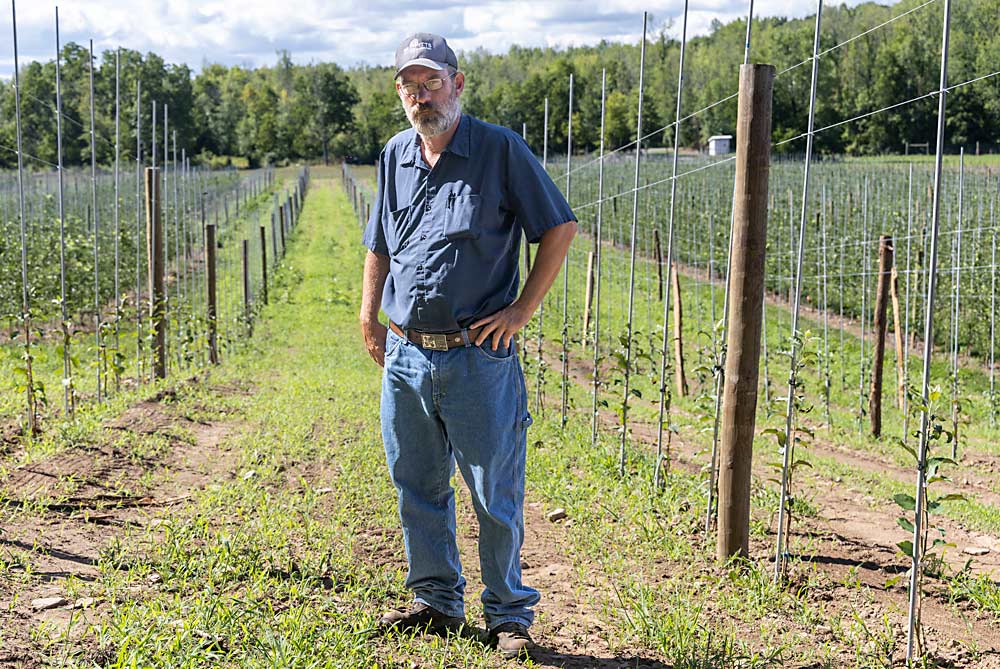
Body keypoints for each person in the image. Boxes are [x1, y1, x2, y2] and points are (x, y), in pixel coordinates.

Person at [359, 32, 577, 660]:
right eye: (409, 86)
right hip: (406, 353)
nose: (420, 96)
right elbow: (378, 244)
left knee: (492, 490)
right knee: (416, 480)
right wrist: (369, 319)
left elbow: (558, 227)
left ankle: (508, 615)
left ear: (458, 83)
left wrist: (521, 309)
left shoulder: (500, 149)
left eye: (431, 83)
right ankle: (436, 601)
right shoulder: (395, 155)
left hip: (477, 353)